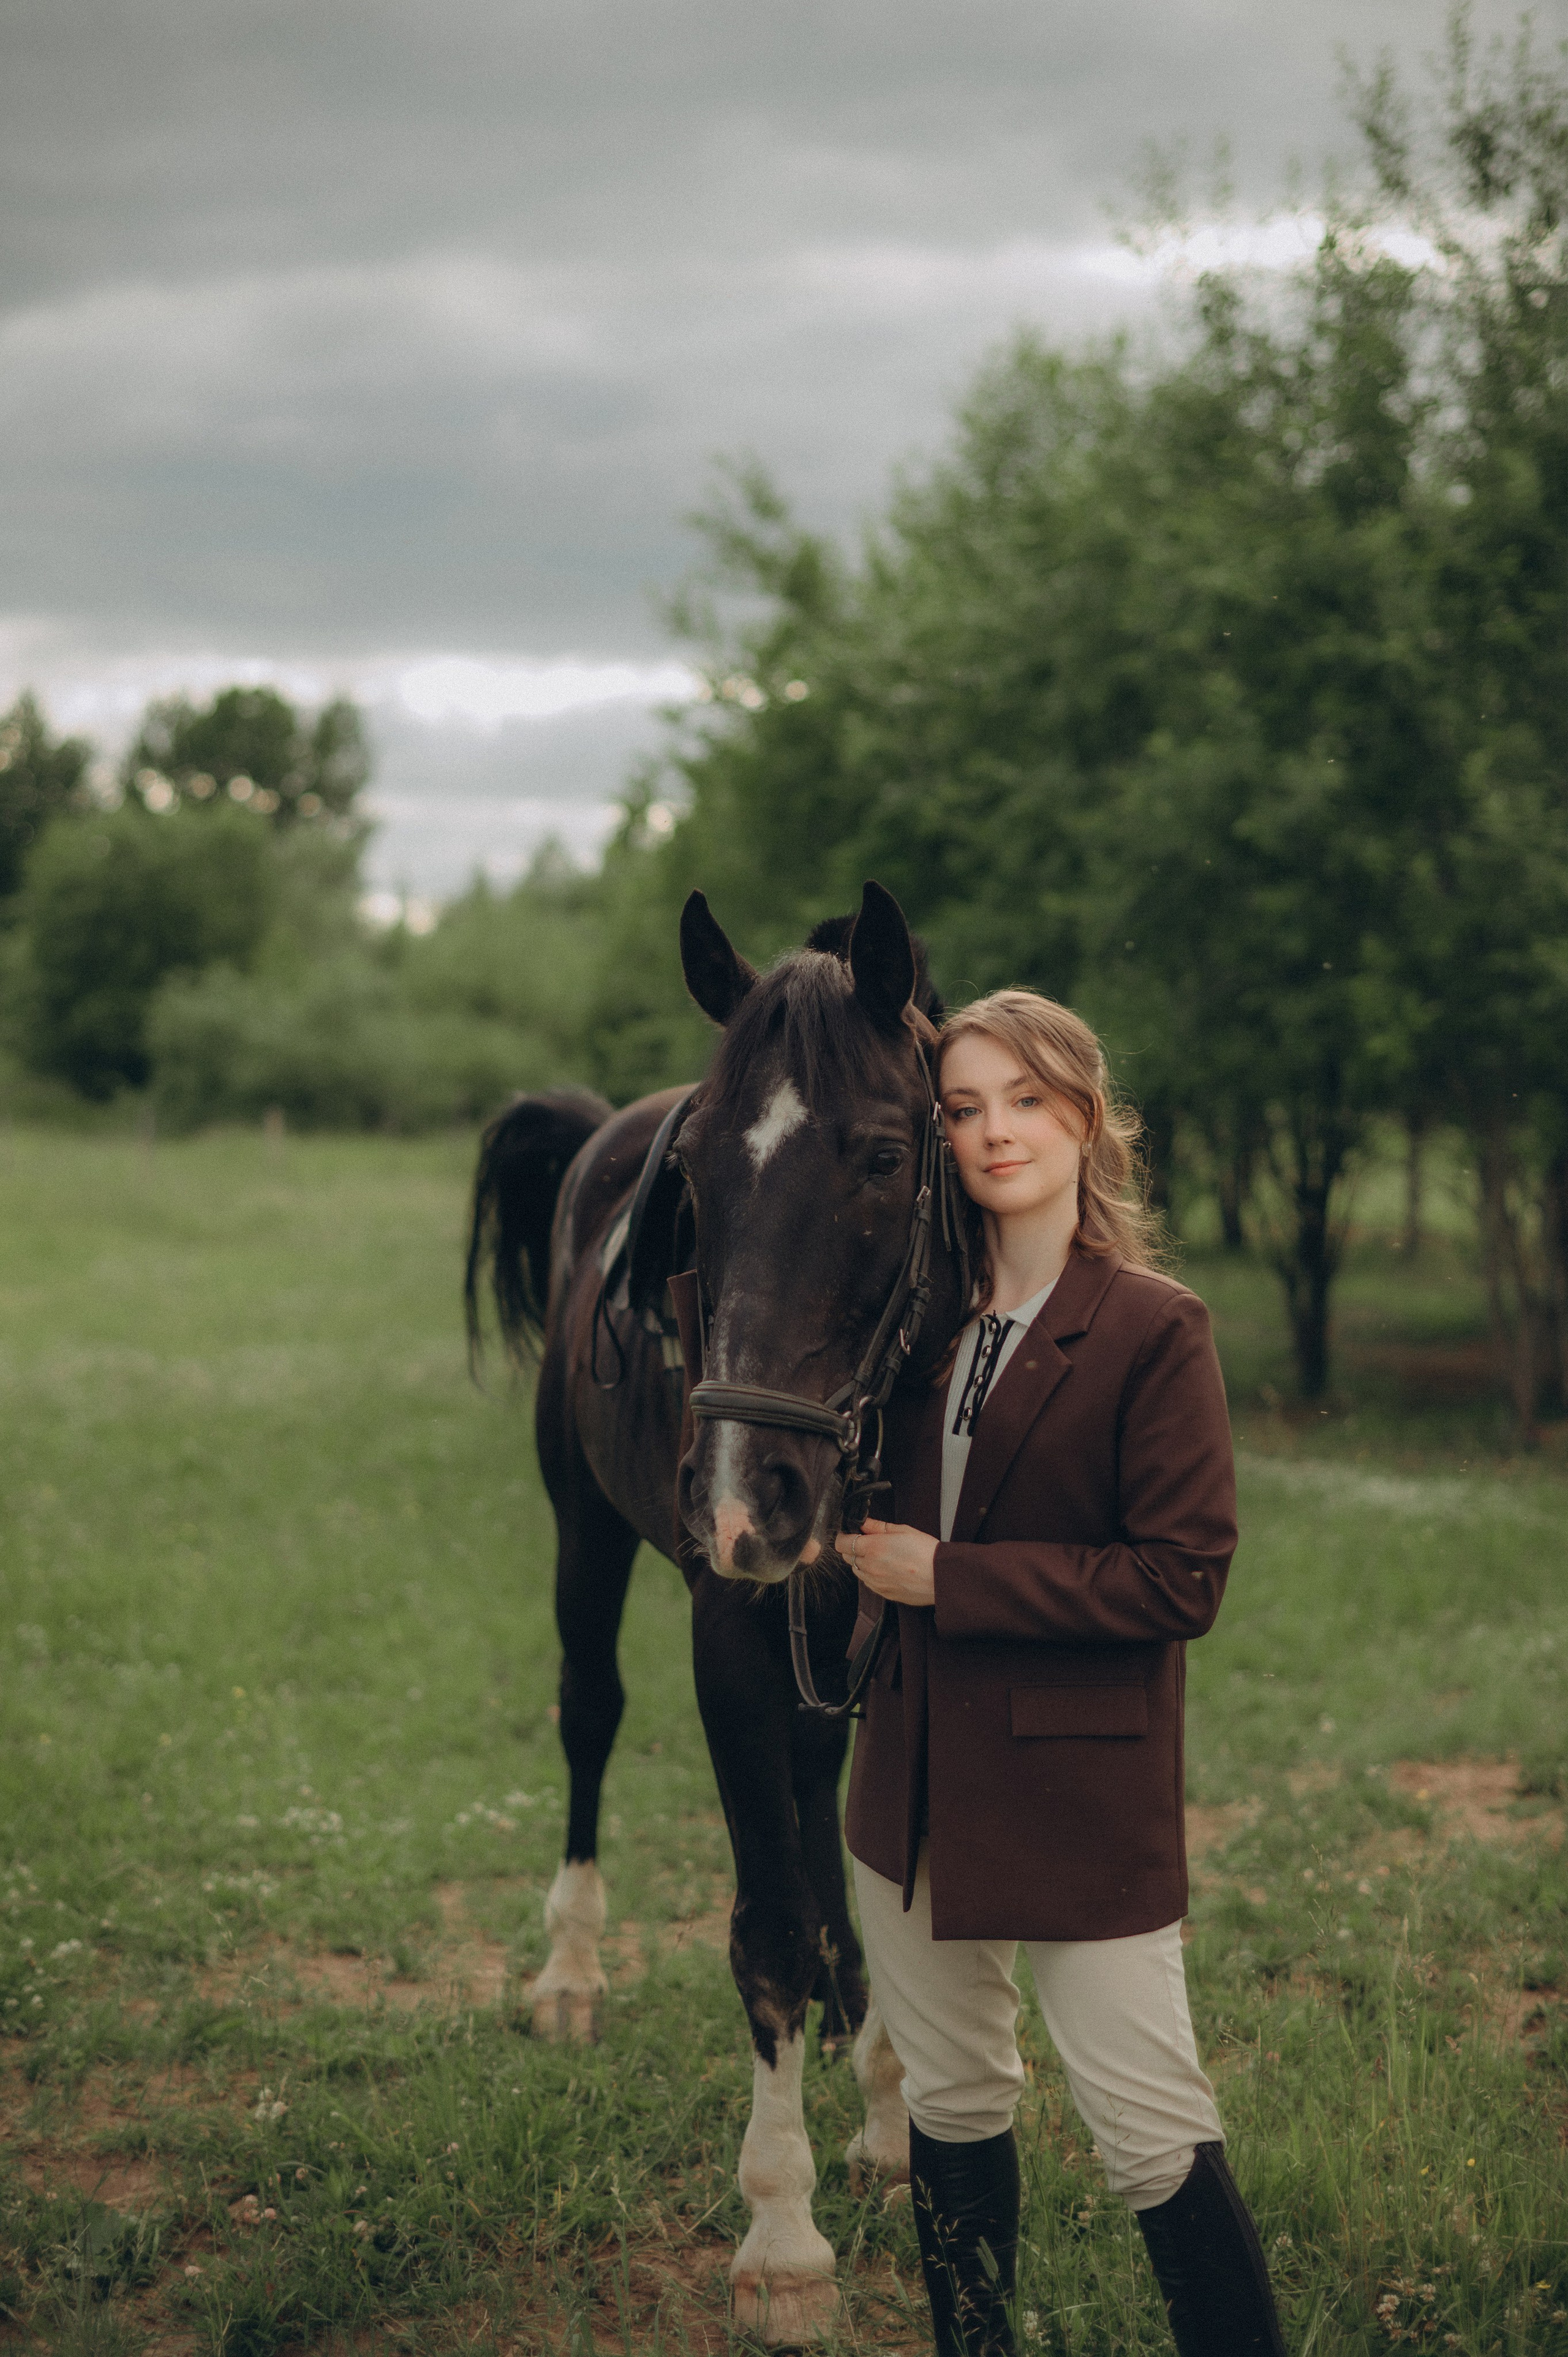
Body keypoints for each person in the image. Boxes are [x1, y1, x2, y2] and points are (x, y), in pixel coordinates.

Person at [843, 989, 1287, 2357]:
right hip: (909, 1788)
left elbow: (1179, 1579)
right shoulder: (911, 1330)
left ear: (1086, 1117)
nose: (994, 1132)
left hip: (1077, 1795)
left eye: (1025, 1100)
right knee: (951, 2103)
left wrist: (953, 1580)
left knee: (1151, 2129)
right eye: (962, 1109)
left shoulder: (1154, 1328)